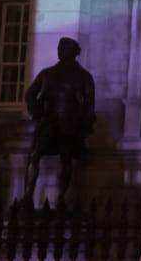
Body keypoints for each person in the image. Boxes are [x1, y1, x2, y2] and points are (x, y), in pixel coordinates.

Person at [24, 37, 96, 205]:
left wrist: (84, 125)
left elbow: (89, 105)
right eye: (59, 48)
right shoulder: (47, 73)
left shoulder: (84, 77)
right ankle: (28, 195)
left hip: (69, 124)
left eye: (63, 48)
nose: (59, 51)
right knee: (34, 155)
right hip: (49, 121)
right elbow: (30, 94)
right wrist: (37, 112)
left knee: (66, 158)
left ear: (73, 52)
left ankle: (62, 197)